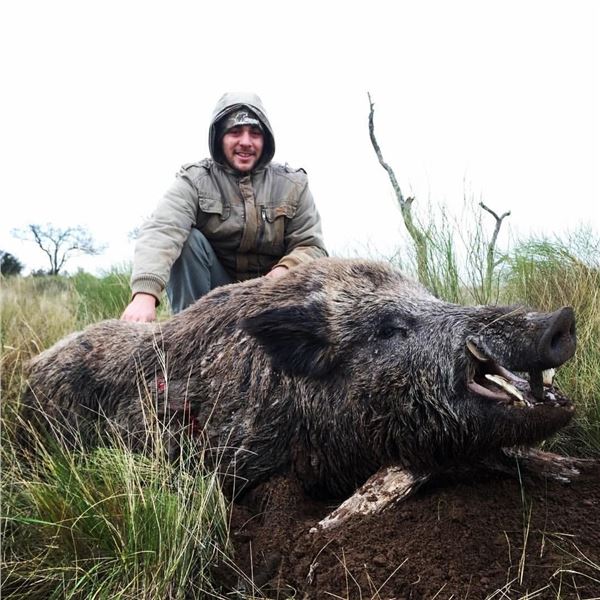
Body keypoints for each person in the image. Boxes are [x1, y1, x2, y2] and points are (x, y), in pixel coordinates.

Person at [121, 92, 328, 322]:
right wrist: (145, 293)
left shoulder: (293, 184)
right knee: (188, 241)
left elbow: (311, 246)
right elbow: (162, 230)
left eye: (255, 133)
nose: (246, 142)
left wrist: (284, 271)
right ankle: (190, 333)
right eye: (235, 132)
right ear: (219, 137)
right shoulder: (195, 181)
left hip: (275, 295)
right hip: (214, 296)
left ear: (265, 140)